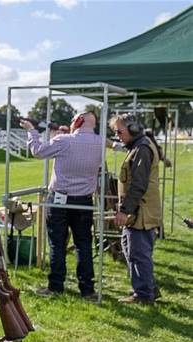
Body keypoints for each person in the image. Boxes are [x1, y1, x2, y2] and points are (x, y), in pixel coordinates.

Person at [20, 111, 102, 301]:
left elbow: (37, 152)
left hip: (59, 199)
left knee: (57, 244)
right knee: (83, 244)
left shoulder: (64, 140)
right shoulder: (99, 142)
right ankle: (87, 289)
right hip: (84, 200)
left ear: (78, 121)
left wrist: (32, 131)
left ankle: (56, 286)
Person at [110, 114, 161, 305]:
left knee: (139, 254)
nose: (117, 135)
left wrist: (124, 210)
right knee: (132, 252)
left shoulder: (142, 149)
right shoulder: (138, 147)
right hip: (137, 211)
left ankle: (144, 295)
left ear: (132, 130)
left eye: (119, 131)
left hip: (141, 212)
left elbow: (138, 185)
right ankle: (144, 290)